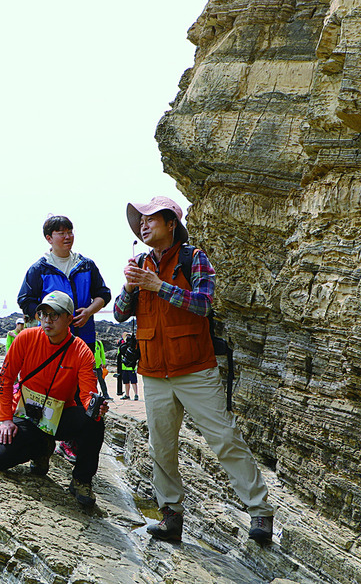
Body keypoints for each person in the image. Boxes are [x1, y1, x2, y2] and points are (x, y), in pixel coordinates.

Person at [114, 195, 275, 544]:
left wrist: (159, 286)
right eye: (139, 221)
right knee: (161, 448)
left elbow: (203, 303)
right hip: (154, 373)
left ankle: (260, 512)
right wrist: (129, 288)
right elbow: (119, 314)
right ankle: (171, 515)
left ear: (171, 224)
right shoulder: (140, 263)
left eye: (150, 219)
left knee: (226, 438)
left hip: (196, 369)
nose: (143, 225)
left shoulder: (193, 258)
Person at [0, 291, 108, 508]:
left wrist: (95, 407)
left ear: (69, 319)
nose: (47, 320)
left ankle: (81, 480)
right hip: (27, 413)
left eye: (55, 315)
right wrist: (6, 419)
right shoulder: (25, 337)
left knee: (94, 420)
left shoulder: (81, 350)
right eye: (43, 314)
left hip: (60, 415)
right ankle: (42, 448)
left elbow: (87, 394)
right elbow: (6, 378)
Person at [18, 215, 111, 463]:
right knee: (52, 387)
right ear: (49, 238)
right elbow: (26, 300)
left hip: (84, 339)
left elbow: (103, 293)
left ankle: (73, 442)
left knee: (84, 391)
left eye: (70, 231)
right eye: (61, 232)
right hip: (51, 343)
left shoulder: (86, 265)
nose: (68, 236)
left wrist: (89, 311)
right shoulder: (39, 268)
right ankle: (43, 440)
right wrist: (52, 318)